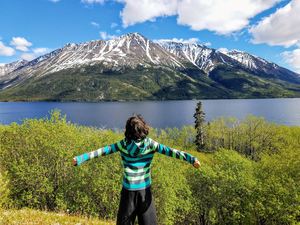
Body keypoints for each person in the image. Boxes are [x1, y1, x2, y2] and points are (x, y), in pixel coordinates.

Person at [73, 115, 201, 225]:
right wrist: (192, 159)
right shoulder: (150, 144)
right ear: (143, 129)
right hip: (145, 191)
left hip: (128, 193)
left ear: (128, 131)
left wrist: (80, 158)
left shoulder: (123, 144)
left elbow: (102, 151)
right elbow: (172, 152)